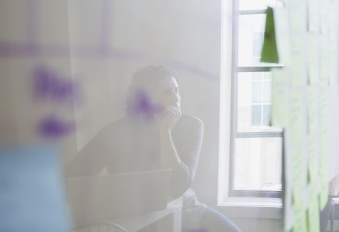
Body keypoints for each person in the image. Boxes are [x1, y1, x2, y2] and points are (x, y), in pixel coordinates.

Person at [66, 66, 240, 232]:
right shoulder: (114, 132)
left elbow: (179, 186)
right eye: (166, 92)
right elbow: (71, 174)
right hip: (135, 218)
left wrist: (165, 131)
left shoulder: (191, 126)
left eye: (176, 90)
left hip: (185, 211)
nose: (175, 97)